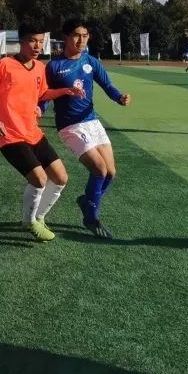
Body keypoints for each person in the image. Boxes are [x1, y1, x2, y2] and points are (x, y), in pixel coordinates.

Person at [0, 24, 85, 242]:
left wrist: (66, 91)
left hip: (33, 132)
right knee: (39, 178)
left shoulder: (39, 67)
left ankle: (39, 217)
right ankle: (29, 222)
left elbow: (43, 93)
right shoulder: (4, 64)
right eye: (33, 41)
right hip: (10, 135)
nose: (38, 46)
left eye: (41, 41)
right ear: (21, 42)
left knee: (61, 177)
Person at [42, 19, 131, 240]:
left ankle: (86, 201)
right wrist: (39, 109)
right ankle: (91, 218)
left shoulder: (91, 61)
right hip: (70, 125)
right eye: (76, 35)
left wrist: (119, 97)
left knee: (111, 173)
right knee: (99, 169)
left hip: (91, 121)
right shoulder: (54, 66)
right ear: (66, 37)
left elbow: (107, 85)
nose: (81, 40)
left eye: (85, 36)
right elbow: (45, 94)